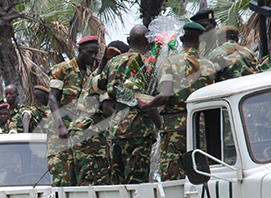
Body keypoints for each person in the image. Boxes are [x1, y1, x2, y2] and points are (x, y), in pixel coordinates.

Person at [139, 22, 216, 181]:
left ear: (182, 39)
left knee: (174, 176)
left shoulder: (172, 62)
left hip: (175, 127)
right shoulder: (209, 65)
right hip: (199, 126)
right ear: (199, 41)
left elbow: (164, 96)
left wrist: (147, 105)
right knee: (199, 173)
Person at [101, 25, 162, 184]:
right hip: (137, 131)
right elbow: (145, 99)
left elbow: (100, 85)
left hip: (115, 130)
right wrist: (162, 126)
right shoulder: (145, 63)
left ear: (128, 41)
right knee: (137, 185)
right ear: (148, 44)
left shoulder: (113, 61)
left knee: (119, 186)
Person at [66, 40, 127, 186]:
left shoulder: (97, 73)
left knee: (84, 180)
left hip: (81, 131)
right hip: (89, 134)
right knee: (94, 182)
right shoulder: (108, 75)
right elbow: (107, 110)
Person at [47, 35, 100, 186]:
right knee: (62, 175)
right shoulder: (63, 69)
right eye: (90, 53)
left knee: (82, 176)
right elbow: (52, 99)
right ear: (80, 50)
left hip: (80, 131)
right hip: (61, 130)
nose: (93, 56)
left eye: (95, 53)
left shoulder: (91, 74)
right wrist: (60, 125)